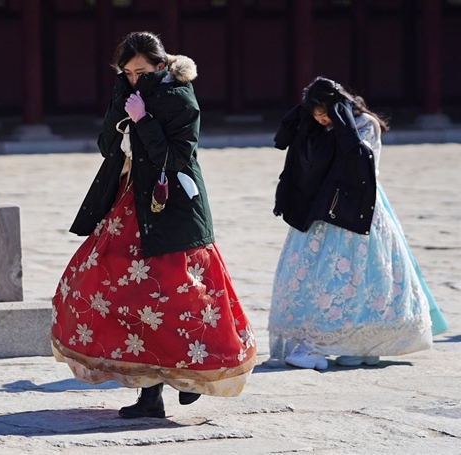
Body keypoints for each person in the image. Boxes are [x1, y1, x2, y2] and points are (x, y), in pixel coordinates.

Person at [51, 31, 256, 418]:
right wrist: (121, 119)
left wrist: (143, 120)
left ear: (160, 65)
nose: (133, 77)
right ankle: (150, 397)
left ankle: (194, 375)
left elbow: (180, 157)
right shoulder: (124, 91)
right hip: (127, 203)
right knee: (123, 295)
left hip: (171, 209)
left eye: (140, 70)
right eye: (126, 71)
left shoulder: (180, 96)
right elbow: (106, 145)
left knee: (180, 295)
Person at [268, 76, 448, 370]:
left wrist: (338, 127)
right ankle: (319, 343)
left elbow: (357, 162)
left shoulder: (365, 123)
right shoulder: (315, 126)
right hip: (319, 206)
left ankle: (363, 344)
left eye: (325, 113)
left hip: (358, 205)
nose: (322, 120)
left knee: (365, 277)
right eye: (316, 115)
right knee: (319, 277)